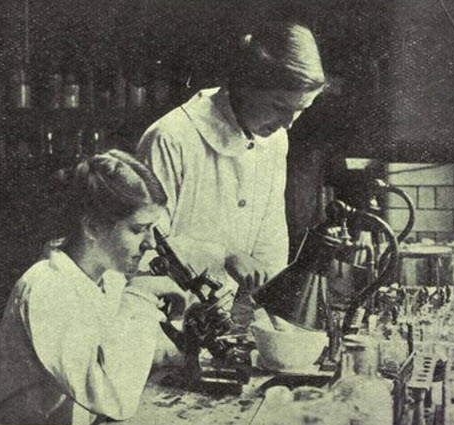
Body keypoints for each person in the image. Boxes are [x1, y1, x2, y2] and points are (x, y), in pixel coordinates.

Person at [0, 150, 179, 424]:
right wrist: (139, 298)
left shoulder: (108, 278)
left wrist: (182, 341)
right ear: (93, 227)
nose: (151, 243)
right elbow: (114, 399)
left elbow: (115, 355)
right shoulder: (47, 291)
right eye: (137, 229)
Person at [137, 20, 326, 293]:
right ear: (246, 85)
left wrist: (264, 309)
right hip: (164, 312)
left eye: (301, 109)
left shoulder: (274, 140)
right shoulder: (171, 137)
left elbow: (269, 243)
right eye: (279, 106)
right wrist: (223, 256)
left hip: (231, 319)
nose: (288, 123)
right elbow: (144, 244)